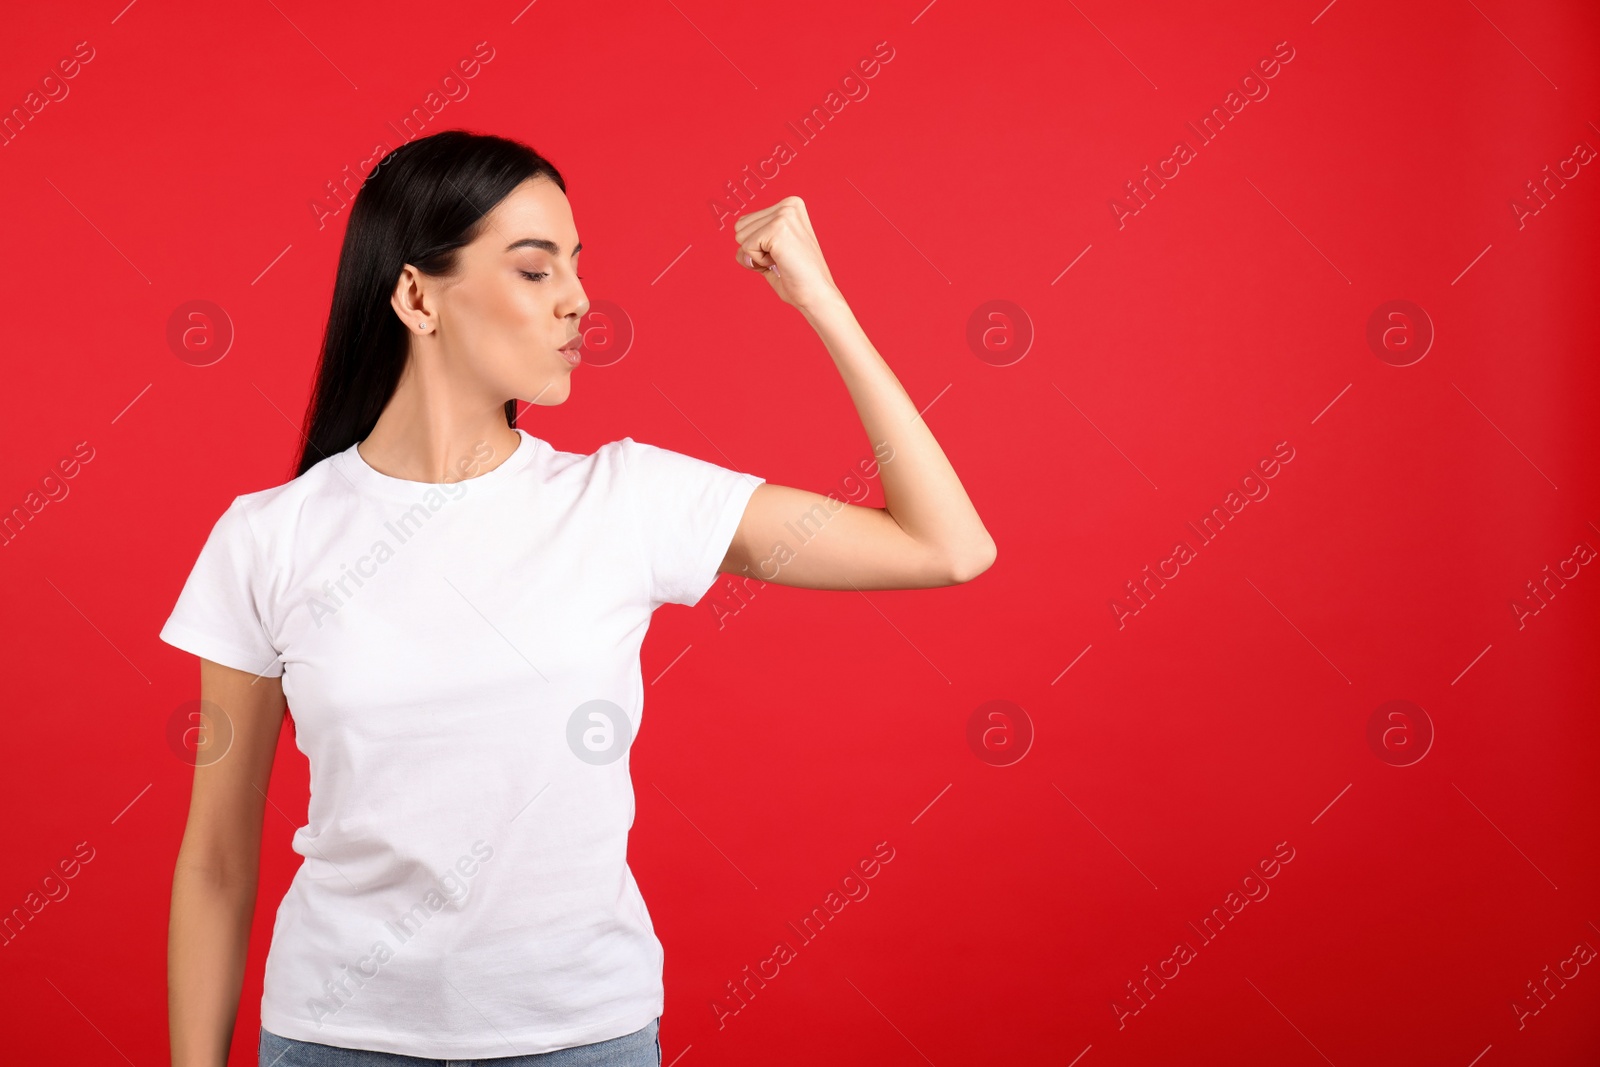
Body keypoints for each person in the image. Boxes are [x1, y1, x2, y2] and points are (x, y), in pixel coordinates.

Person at [161, 129, 995, 1067]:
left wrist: (822, 302)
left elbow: (945, 546)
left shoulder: (625, 499)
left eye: (576, 265)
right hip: (335, 1037)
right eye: (532, 268)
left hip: (579, 1040)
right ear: (415, 296)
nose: (578, 300)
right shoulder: (270, 536)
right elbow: (218, 861)